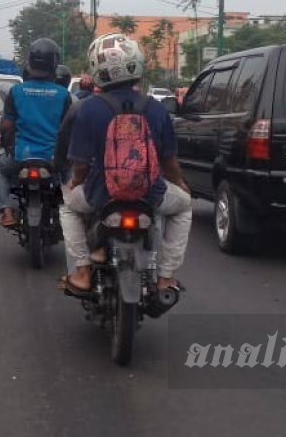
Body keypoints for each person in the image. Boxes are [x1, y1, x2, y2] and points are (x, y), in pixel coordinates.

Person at [61, 33, 192, 296]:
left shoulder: (88, 109)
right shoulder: (155, 109)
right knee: (185, 207)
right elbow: (168, 162)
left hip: (100, 193)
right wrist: (181, 185)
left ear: (97, 70)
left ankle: (83, 269)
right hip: (151, 194)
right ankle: (166, 276)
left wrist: (76, 182)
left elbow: (81, 164)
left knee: (68, 208)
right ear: (137, 65)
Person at [0, 39, 72, 228]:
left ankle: (6, 211)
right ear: (54, 62)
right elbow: (68, 129)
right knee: (70, 175)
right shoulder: (63, 94)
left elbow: (6, 126)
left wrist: (4, 137)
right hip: (53, 158)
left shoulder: (16, 91)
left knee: (0, 170)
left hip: (22, 156)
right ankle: (70, 213)